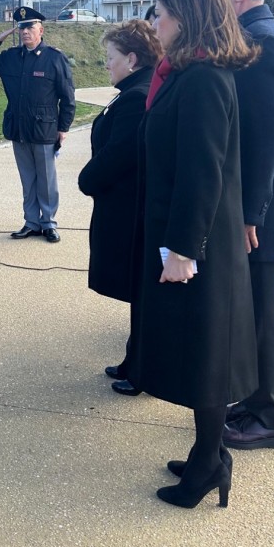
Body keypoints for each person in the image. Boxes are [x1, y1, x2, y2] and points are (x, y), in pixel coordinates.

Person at [128, 0, 259, 508]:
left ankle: (210, 463)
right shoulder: (187, 71)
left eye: (160, 13)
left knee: (204, 355)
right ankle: (209, 453)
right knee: (197, 351)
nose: (155, 22)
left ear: (186, 17)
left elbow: (203, 172)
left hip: (195, 243)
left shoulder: (203, 78)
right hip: (188, 236)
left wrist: (183, 250)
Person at [211, 0, 274, 450]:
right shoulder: (262, 35)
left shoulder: (264, 42)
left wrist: (251, 213)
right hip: (259, 201)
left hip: (260, 205)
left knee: (264, 312)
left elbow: (267, 136)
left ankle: (273, 414)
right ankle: (255, 399)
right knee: (252, 308)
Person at [77, 19, 162, 392]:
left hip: (130, 212)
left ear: (131, 58)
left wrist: (87, 179)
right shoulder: (135, 89)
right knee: (138, 294)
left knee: (142, 293)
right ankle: (134, 361)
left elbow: (118, 155)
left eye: (110, 57)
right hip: (125, 208)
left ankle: (143, 370)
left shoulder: (135, 97)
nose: (106, 64)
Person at [0, 6, 75, 241]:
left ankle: (48, 223)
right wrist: (0, 37)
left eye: (29, 27)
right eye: (21, 27)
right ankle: (31, 222)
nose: (25, 32)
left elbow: (68, 97)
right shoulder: (11, 58)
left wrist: (64, 128)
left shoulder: (54, 58)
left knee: (46, 180)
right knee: (28, 179)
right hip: (18, 127)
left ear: (41, 29)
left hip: (44, 128)